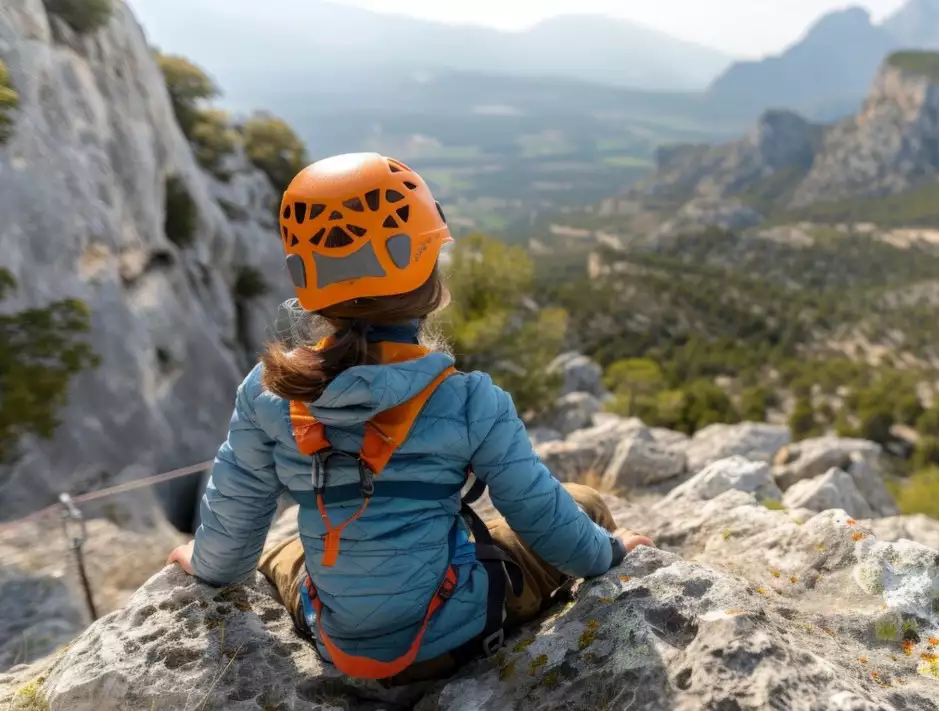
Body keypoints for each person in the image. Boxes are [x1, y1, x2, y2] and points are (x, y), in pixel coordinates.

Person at [166, 152, 653, 682]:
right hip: (455, 633)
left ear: (306, 280)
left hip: (336, 642)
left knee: (281, 554)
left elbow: (229, 543)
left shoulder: (267, 394)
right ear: (426, 277)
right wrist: (608, 553)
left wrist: (202, 561)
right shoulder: (469, 400)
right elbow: (542, 515)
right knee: (584, 502)